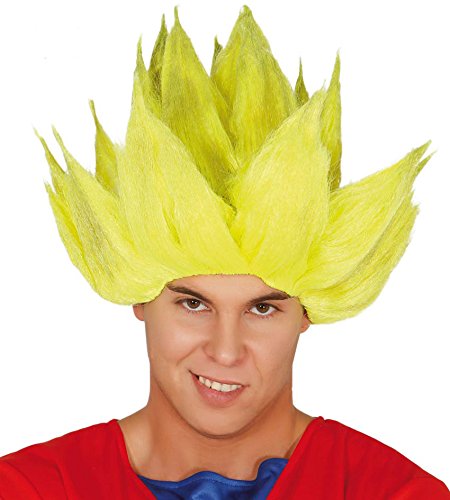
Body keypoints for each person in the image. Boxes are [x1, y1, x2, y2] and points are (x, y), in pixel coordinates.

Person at [0, 5, 448, 499]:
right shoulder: (30, 489)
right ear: (141, 299)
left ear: (307, 314)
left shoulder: (392, 492)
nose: (226, 351)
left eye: (262, 309)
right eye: (193, 303)